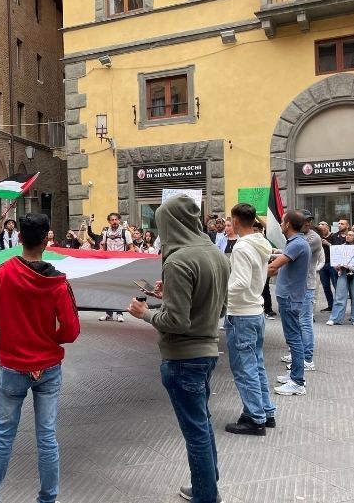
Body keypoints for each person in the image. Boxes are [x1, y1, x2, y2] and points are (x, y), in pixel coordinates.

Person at [127, 195, 229, 503]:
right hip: (208, 350)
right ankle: (205, 485)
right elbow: (218, 306)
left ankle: (206, 496)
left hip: (183, 356)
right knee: (202, 423)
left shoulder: (178, 260)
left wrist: (144, 313)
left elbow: (177, 320)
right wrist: (171, 293)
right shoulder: (216, 253)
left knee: (195, 431)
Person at [0, 213, 79, 503]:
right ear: (48, 240)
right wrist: (49, 340)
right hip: (49, 366)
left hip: (13, 366)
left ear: (18, 238)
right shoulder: (58, 282)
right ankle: (48, 499)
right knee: (46, 437)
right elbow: (71, 330)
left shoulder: (0, 273)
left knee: (3, 435)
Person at [222, 204, 276, 437]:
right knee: (256, 364)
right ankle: (265, 411)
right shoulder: (261, 242)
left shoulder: (243, 247)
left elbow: (241, 282)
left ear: (235, 220)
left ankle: (255, 419)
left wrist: (220, 293)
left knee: (245, 368)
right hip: (255, 311)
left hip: (242, 313)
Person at [268, 210, 311, 397]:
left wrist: (252, 275)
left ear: (288, 225)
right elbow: (281, 264)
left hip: (290, 298)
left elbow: (273, 267)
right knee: (294, 338)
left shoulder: (297, 244)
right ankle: (295, 374)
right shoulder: (295, 243)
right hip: (291, 296)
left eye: (282, 221)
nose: (280, 224)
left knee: (294, 339)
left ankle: (297, 382)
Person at [293, 211, 322, 374]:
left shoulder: (313, 238)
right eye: (305, 221)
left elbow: (291, 253)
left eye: (309, 221)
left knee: (305, 322)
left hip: (306, 286)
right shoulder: (298, 236)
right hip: (297, 285)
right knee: (296, 322)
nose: (308, 224)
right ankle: (298, 354)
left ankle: (307, 359)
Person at [94, 213, 129, 322]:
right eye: (112, 220)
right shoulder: (105, 233)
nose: (114, 222)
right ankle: (108, 314)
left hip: (120, 264)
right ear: (109, 221)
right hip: (108, 265)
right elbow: (103, 249)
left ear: (119, 220)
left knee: (118, 288)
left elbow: (132, 249)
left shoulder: (125, 233)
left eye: (116, 220)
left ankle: (120, 313)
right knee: (107, 288)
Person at [326, 229, 354, 326]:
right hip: (342, 273)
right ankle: (335, 318)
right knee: (339, 296)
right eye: (347, 235)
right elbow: (334, 263)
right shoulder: (340, 248)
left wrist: (350, 267)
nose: (348, 236)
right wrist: (337, 267)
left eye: (351, 235)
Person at [317, 221, 335, 312]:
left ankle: (338, 306)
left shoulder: (334, 236)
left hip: (332, 263)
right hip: (322, 264)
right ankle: (330, 305)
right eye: (320, 230)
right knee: (326, 286)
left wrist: (327, 243)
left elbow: (337, 249)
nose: (322, 231)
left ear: (327, 228)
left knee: (336, 285)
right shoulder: (318, 237)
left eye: (323, 229)